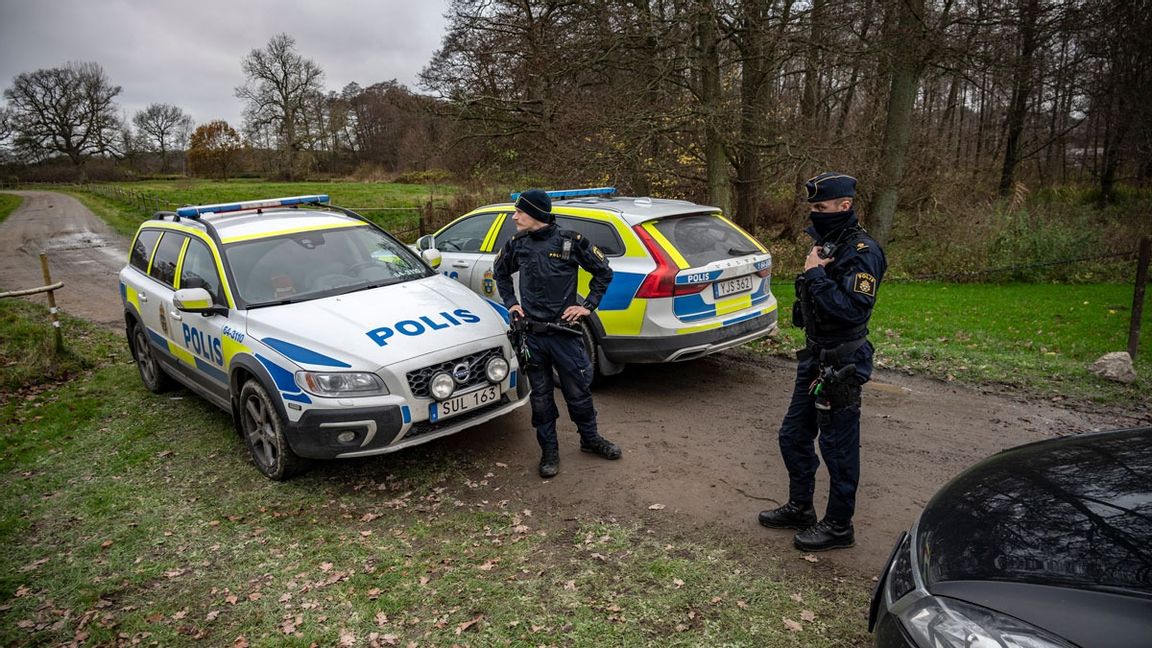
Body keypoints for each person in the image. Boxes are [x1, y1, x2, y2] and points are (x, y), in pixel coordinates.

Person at [758, 172, 887, 552]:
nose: (814, 215)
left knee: (838, 449)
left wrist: (815, 275)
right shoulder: (829, 243)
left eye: (821, 207)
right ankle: (801, 507)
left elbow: (851, 309)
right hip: (815, 358)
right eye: (812, 208)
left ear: (844, 206)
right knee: (793, 436)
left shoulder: (863, 252)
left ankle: (838, 525)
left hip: (843, 362)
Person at [493, 189, 621, 478]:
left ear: (536, 214)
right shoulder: (518, 243)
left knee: (578, 392)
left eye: (519, 212)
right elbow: (499, 272)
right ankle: (549, 451)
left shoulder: (571, 241)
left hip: (564, 334)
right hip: (533, 337)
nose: (514, 217)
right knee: (541, 397)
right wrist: (512, 304)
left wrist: (587, 306)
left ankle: (590, 440)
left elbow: (603, 272)